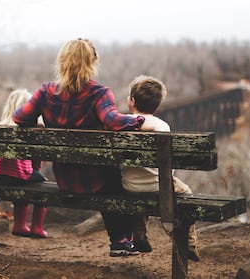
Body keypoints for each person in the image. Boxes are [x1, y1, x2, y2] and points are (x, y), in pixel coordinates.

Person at [13, 38, 145, 256]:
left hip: (65, 178)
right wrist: (139, 120)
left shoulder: (46, 92)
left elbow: (20, 117)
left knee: (111, 175)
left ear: (62, 62)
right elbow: (112, 121)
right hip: (98, 180)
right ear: (92, 62)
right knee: (116, 176)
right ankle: (121, 240)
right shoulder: (99, 93)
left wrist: (39, 124)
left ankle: (123, 240)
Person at [122, 75, 201, 261]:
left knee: (138, 196)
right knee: (187, 193)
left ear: (131, 101)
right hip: (160, 187)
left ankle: (139, 234)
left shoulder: (123, 123)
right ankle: (190, 241)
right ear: (157, 105)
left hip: (130, 187)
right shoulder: (162, 126)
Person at [0, 89, 49, 238]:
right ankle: (36, 227)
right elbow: (36, 160)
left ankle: (20, 225)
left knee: (22, 181)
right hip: (20, 175)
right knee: (42, 185)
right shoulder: (28, 130)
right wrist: (35, 170)